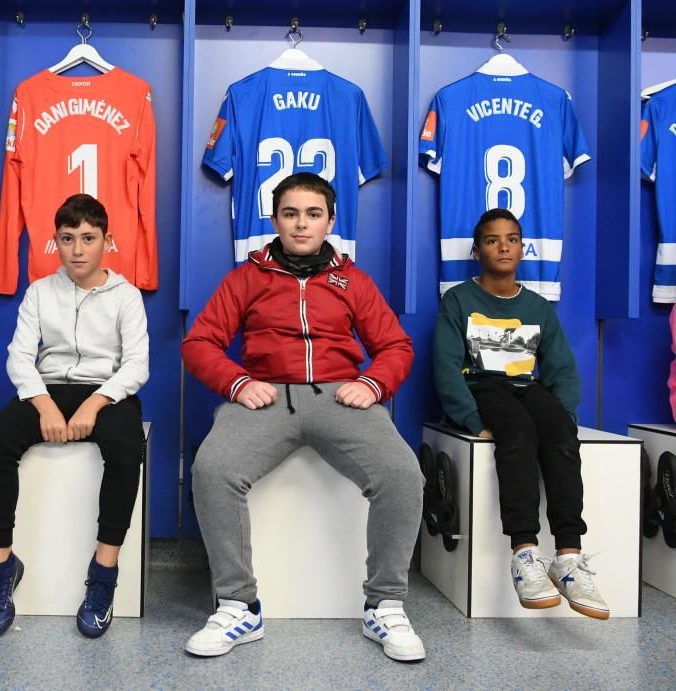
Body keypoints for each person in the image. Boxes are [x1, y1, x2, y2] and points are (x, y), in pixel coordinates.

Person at [182, 173, 426, 662]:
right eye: (290, 213)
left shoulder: (351, 280)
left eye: (313, 214)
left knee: (403, 474)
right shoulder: (246, 277)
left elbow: (396, 346)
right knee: (213, 470)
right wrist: (239, 383)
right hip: (265, 396)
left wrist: (372, 385)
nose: (301, 224)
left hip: (340, 397)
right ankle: (239, 604)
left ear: (330, 221)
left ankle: (385, 603)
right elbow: (199, 342)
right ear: (274, 219)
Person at [0, 193, 148, 639]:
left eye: (88, 239)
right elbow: (19, 357)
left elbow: (136, 365)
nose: (77, 249)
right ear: (55, 242)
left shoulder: (126, 296)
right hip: (48, 389)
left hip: (107, 395)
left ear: (106, 241)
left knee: (128, 447)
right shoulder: (39, 291)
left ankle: (103, 574)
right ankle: (0, 570)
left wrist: (95, 402)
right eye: (68, 239)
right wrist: (43, 402)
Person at [433, 207, 609, 620]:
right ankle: (525, 553)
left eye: (511, 239)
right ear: (477, 251)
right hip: (484, 387)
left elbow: (562, 367)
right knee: (516, 431)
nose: (503, 246)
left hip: (527, 389)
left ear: (522, 247)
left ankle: (568, 556)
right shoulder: (458, 299)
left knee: (560, 436)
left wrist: (561, 415)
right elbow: (445, 366)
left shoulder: (536, 306)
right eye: (492, 240)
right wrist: (472, 421)